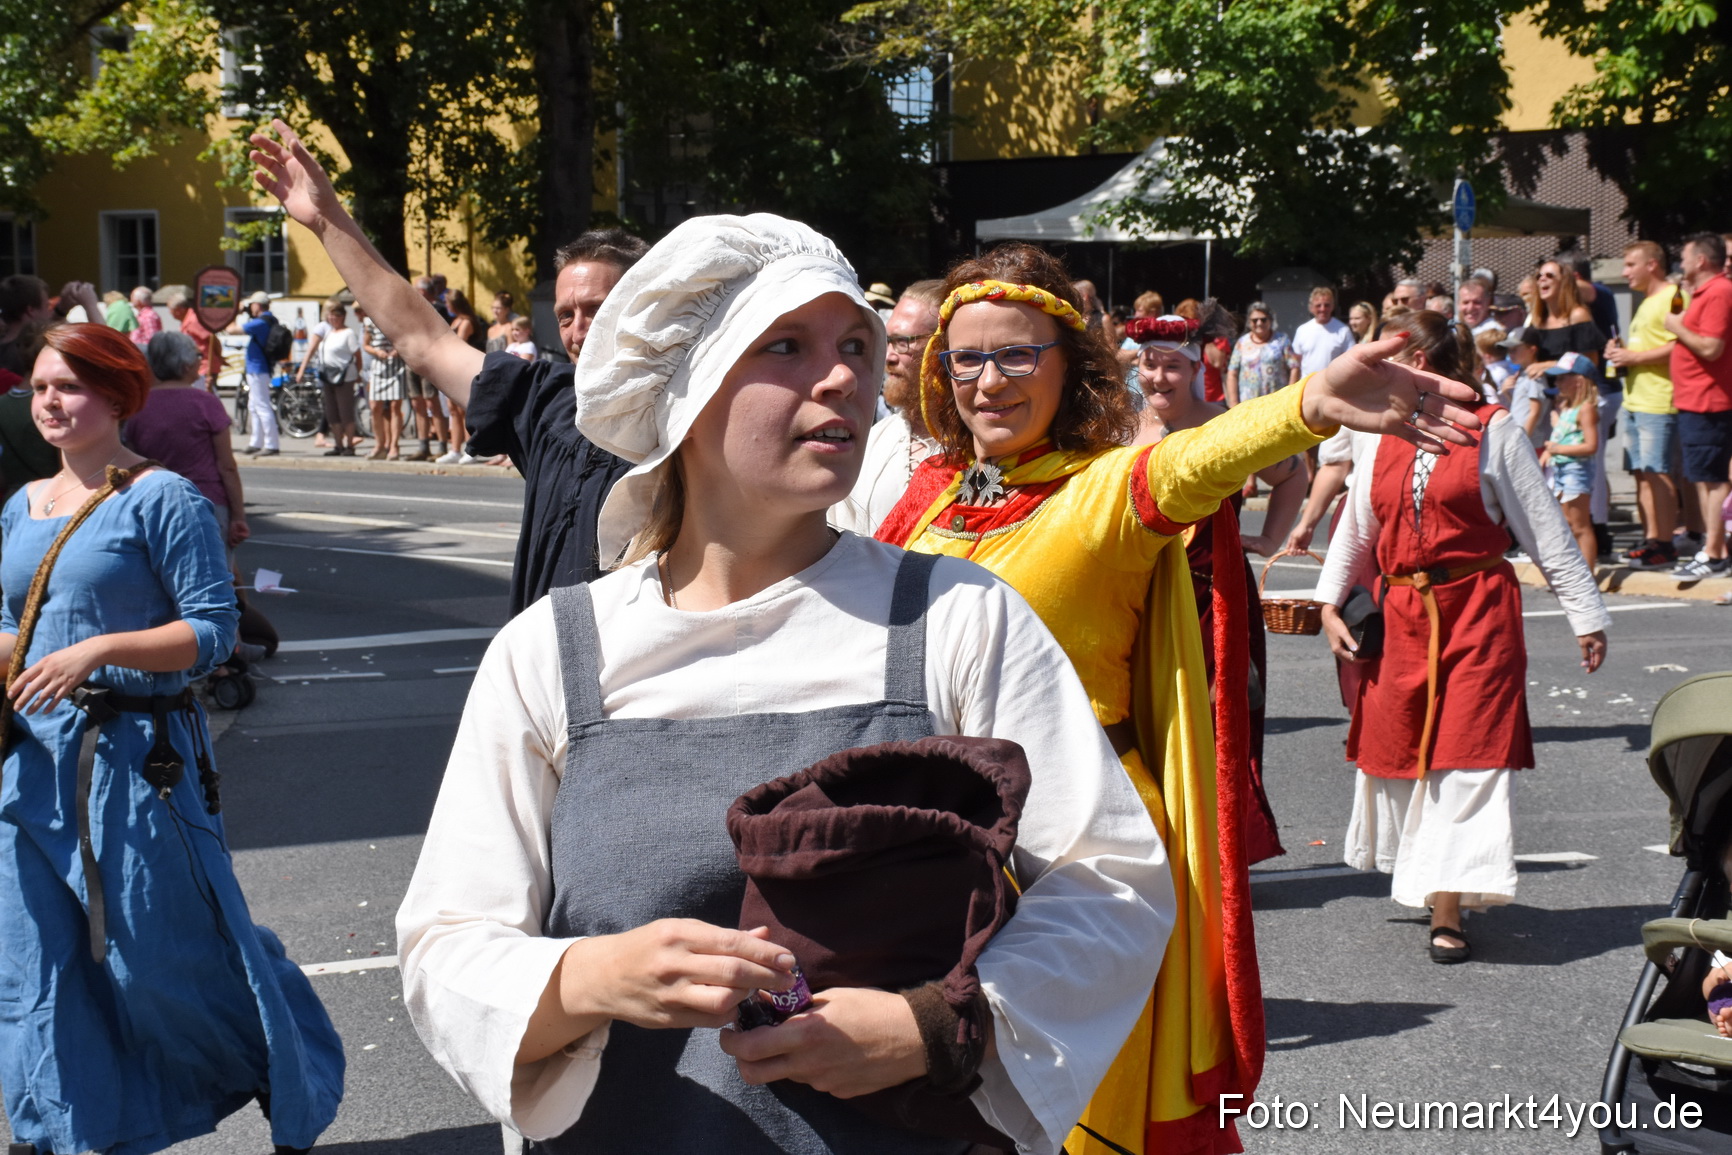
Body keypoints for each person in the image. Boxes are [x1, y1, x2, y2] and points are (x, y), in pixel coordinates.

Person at [395, 213, 1172, 1155]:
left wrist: (940, 1023)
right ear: (686, 385)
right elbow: (448, 940)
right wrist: (583, 979)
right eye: (786, 345)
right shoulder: (554, 652)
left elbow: (1112, 881)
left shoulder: (956, 617)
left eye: (854, 343)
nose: (843, 375)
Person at [874, 246, 1484, 1153]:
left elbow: (1197, 460)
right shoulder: (927, 493)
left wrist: (1308, 406)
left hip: (1073, 860)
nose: (988, 381)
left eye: (1017, 355)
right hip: (934, 848)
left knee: (1064, 1120)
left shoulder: (1105, 491)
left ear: (1070, 367)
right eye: (968, 357)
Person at [0, 323, 343, 1155]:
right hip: (30, 761)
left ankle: (281, 1057)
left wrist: (103, 648)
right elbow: (17, 622)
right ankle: (64, 1133)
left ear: (117, 395)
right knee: (35, 965)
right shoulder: (20, 504)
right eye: (42, 386)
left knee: (163, 953)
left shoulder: (161, 498)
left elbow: (216, 628)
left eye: (70, 387)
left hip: (132, 761)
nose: (50, 401)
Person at [1314, 312, 1609, 965]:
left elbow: (1545, 531)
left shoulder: (1494, 430)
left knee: (1468, 756)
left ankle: (1447, 906)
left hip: (1478, 610)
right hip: (1403, 615)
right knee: (1404, 756)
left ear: (1426, 364)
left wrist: (1586, 613)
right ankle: (1432, 877)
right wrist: (1327, 602)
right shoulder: (1375, 433)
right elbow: (1358, 526)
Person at [252, 120, 638, 611]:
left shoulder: (691, 418)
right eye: (566, 315)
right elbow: (423, 340)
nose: (579, 330)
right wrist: (327, 221)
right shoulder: (545, 403)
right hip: (552, 673)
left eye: (597, 310)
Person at [1128, 315, 1307, 865]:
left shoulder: (1226, 424)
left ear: (1196, 368)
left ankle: (1215, 857)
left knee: (1211, 728)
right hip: (1139, 596)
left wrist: (1271, 536)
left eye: (1172, 366)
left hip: (1213, 600)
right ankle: (1156, 854)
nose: (1159, 377)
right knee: (1141, 724)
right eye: (1149, 364)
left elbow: (1293, 474)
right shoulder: (1124, 427)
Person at [831, 279, 944, 535]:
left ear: (944, 347)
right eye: (887, 341)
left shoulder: (981, 447)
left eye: (903, 342)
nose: (888, 356)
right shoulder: (870, 444)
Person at [131, 331, 249, 554]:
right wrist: (239, 516)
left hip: (155, 505)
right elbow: (227, 466)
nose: (200, 361)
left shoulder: (138, 407)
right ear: (185, 365)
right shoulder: (206, 403)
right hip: (206, 501)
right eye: (197, 355)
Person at [1608, 240, 1681, 570]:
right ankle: (1653, 538)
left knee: (1658, 473)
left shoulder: (1672, 296)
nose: (1625, 272)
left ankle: (1665, 543)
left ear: (1652, 265)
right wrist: (1622, 353)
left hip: (1658, 399)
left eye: (1630, 265)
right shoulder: (1647, 300)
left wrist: (1634, 356)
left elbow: (1680, 345)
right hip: (1636, 399)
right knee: (1643, 474)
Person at [1666, 232, 1732, 580]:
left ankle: (1714, 552)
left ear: (1702, 261)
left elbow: (1711, 348)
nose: (1681, 262)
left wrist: (1676, 325)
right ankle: (1713, 550)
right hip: (1696, 400)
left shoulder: (1719, 292)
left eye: (1685, 256)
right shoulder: (1704, 293)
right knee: (1705, 478)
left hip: (1708, 400)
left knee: (1712, 479)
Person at [1540, 353, 1602, 566]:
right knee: (1567, 523)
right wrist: (1551, 451)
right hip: (1561, 470)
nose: (1557, 383)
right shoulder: (1567, 407)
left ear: (1579, 381)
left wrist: (1557, 448)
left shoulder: (1586, 409)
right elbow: (1566, 436)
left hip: (1576, 470)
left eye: (1562, 378)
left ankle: (1588, 576)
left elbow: (1591, 446)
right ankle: (1577, 570)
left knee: (1580, 525)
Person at [295, 299, 362, 456]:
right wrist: (302, 369)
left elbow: (357, 355)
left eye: (336, 315)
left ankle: (350, 446)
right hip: (327, 376)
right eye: (330, 315)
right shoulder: (327, 332)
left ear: (343, 316)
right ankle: (338, 445)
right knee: (332, 412)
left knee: (345, 412)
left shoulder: (348, 333)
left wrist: (357, 373)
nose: (333, 318)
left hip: (344, 377)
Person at [439, 290, 487, 464]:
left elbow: (457, 344)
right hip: (452, 368)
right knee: (453, 410)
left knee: (465, 410)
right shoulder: (456, 320)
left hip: (464, 368)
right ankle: (455, 449)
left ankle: (470, 449)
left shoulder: (466, 322)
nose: (446, 305)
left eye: (447, 302)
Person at [1224, 301, 1298, 406]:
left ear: (1270, 320)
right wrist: (1233, 402)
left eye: (1263, 320)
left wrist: (1290, 395)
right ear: (1249, 323)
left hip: (1276, 403)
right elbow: (1232, 373)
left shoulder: (1282, 340)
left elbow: (1294, 367)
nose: (1259, 323)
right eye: (1255, 320)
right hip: (1248, 405)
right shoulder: (1242, 343)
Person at [233, 292, 280, 456]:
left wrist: (233, 313)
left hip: (258, 369)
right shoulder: (267, 320)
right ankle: (256, 442)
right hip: (258, 368)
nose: (249, 307)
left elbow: (231, 330)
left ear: (257, 305)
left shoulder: (261, 322)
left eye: (251, 304)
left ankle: (272, 444)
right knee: (253, 406)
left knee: (261, 405)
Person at [360, 303, 407, 460]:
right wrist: (376, 351)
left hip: (396, 365)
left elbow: (406, 340)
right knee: (375, 407)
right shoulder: (370, 321)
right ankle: (379, 445)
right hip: (378, 366)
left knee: (395, 406)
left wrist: (397, 350)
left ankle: (394, 446)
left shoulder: (399, 320)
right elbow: (366, 345)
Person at [1291, 286, 1356, 379]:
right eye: (1318, 305)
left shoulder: (1343, 330)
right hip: (1307, 384)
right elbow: (1296, 363)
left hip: (1333, 384)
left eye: (1327, 305)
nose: (1323, 309)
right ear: (1311, 308)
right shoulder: (1302, 330)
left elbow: (1351, 360)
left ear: (1332, 306)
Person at [166, 291, 218, 388]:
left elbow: (212, 338)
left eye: (171, 309)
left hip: (204, 368)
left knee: (204, 397)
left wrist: (219, 356)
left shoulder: (193, 320)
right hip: (196, 367)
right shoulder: (187, 320)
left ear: (179, 309)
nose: (170, 313)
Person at [128, 286, 161, 351]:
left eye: (132, 297)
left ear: (139, 301)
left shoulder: (148, 316)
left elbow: (152, 339)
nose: (131, 300)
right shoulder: (144, 314)